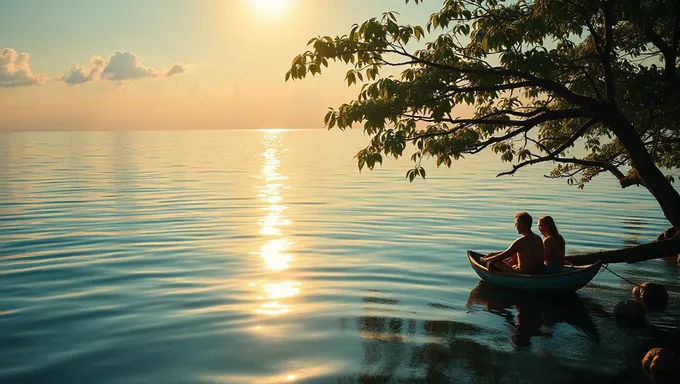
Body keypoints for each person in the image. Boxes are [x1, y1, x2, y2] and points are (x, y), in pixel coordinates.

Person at [480, 212, 544, 274]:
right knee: (503, 258)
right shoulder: (538, 238)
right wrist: (493, 254)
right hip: (538, 272)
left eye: (517, 223)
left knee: (493, 262)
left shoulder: (521, 241)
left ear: (522, 225)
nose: (515, 226)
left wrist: (485, 259)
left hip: (523, 272)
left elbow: (504, 255)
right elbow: (514, 252)